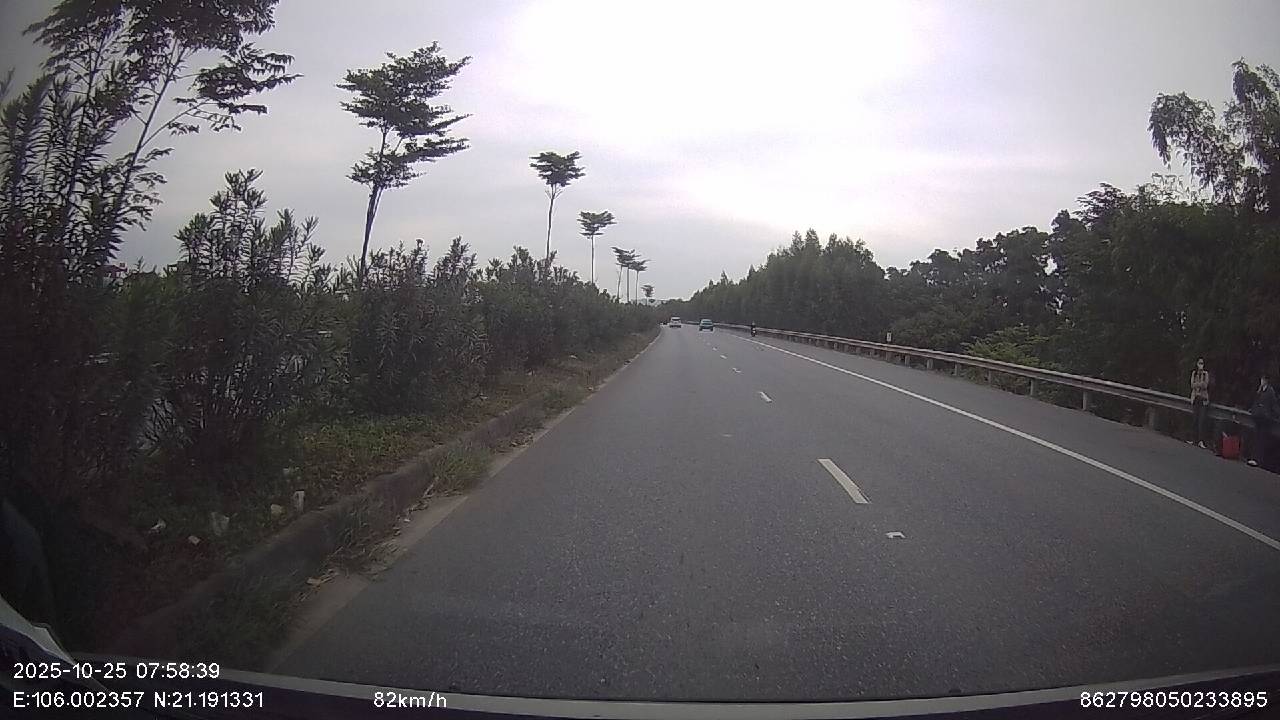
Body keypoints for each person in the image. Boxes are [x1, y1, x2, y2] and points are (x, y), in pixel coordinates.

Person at [1248, 372, 1279, 468]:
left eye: (1263, 379)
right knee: (1256, 437)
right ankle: (1253, 458)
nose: (1262, 381)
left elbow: (1273, 405)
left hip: (1265, 418)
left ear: (1266, 380)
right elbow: (1256, 401)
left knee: (1261, 439)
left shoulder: (1270, 391)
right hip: (1258, 416)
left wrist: (1274, 414)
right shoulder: (1260, 390)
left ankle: (1258, 460)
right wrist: (1253, 410)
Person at [1188, 358, 1211, 448]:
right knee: (1195, 420)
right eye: (1199, 363)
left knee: (1201, 421)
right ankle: (1193, 439)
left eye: (1202, 363)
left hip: (1203, 399)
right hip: (1196, 398)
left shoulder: (1205, 374)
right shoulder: (1194, 373)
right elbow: (1192, 385)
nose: (1200, 365)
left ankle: (1201, 440)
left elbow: (1205, 385)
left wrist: (1198, 384)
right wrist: (1199, 384)